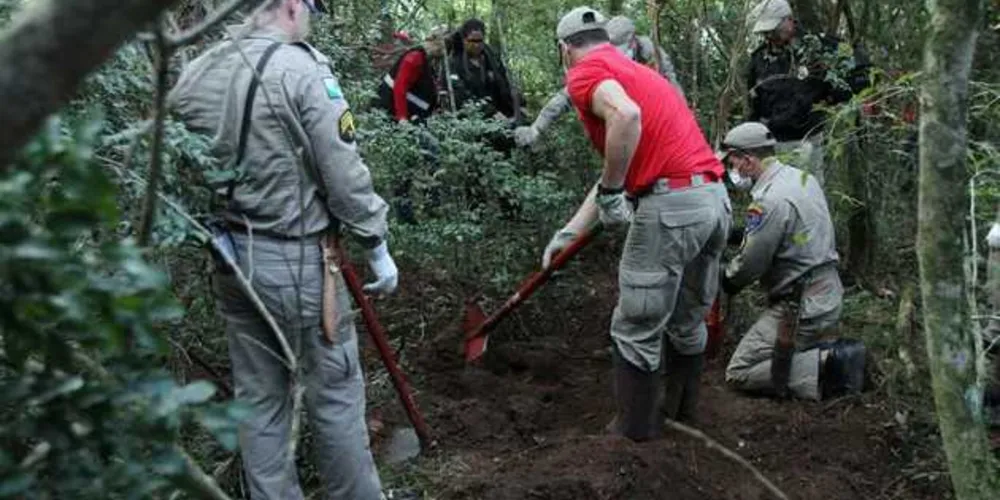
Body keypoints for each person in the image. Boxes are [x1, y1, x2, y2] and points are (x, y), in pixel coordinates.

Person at [167, 1, 396, 498]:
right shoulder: (301, 68)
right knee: (334, 393)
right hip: (298, 261)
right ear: (291, 5)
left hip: (232, 258)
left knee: (259, 402)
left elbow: (182, 162)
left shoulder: (200, 70)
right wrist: (375, 240)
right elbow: (341, 170)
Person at [543, 6, 731, 439]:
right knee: (687, 321)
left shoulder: (585, 72)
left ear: (564, 49)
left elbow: (625, 118)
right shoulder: (638, 71)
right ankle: (682, 416)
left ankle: (632, 440)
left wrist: (612, 195)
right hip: (713, 200)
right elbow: (622, 161)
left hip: (672, 208)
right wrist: (570, 231)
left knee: (635, 327)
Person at [716, 121, 865, 401]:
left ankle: (831, 363)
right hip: (826, 293)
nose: (731, 171)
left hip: (802, 307)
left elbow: (750, 265)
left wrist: (725, 278)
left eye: (732, 162)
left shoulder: (769, 200)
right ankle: (820, 349)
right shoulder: (799, 178)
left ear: (748, 161)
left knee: (739, 371)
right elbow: (788, 233)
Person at [745, 0, 871, 186]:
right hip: (771, 145)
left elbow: (860, 74)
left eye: (774, 30)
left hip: (806, 141)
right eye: (767, 32)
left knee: (807, 194)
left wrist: (831, 95)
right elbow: (754, 101)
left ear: (789, 21)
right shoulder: (759, 58)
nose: (770, 36)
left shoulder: (818, 46)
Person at [514, 15, 685, 148]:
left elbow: (671, 84)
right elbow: (566, 96)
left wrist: (683, 119)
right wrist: (536, 128)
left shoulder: (651, 52)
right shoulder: (603, 60)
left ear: (633, 42)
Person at [447, 18, 521, 121]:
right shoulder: (454, 62)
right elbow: (461, 95)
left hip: (502, 114)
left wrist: (519, 105)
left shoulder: (491, 58)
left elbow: (504, 84)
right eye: (472, 41)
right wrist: (490, 112)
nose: (476, 45)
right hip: (474, 118)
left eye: (480, 41)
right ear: (464, 40)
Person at [375, 26, 449, 124]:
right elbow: (400, 86)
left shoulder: (428, 61)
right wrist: (402, 117)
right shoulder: (415, 58)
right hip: (389, 108)